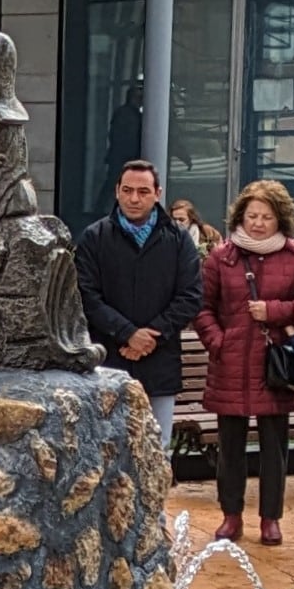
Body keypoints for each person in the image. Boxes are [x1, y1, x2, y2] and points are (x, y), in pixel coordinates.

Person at [192, 180, 294, 547]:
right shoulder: (221, 257)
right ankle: (231, 516)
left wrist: (274, 312)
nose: (259, 223)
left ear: (280, 217)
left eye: (266, 216)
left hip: (274, 366)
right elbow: (202, 308)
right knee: (230, 448)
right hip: (230, 364)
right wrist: (218, 342)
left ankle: (270, 519)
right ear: (240, 217)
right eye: (252, 216)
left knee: (274, 448)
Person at [77, 161, 207, 444]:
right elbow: (86, 296)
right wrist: (128, 333)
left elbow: (190, 296)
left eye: (143, 191)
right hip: (108, 362)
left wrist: (150, 337)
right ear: (116, 192)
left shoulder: (179, 239)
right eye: (127, 190)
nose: (134, 198)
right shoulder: (94, 238)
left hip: (159, 363)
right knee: (107, 451)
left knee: (156, 454)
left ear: (157, 193)